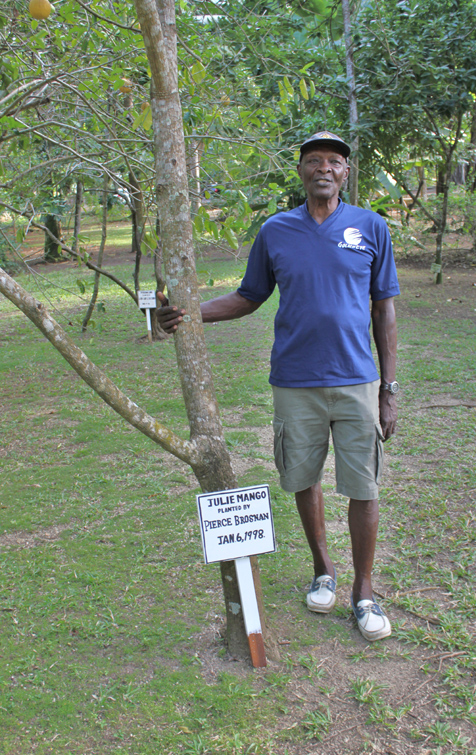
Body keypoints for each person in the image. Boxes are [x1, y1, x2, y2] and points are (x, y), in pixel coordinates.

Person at [157, 131, 399, 642]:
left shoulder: (370, 227)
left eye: (334, 161)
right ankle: (323, 571)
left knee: (364, 487)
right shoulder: (276, 231)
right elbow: (249, 297)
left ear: (345, 173)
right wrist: (191, 315)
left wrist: (389, 388)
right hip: (295, 382)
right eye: (315, 161)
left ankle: (364, 591)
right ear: (302, 172)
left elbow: (385, 308)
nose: (325, 169)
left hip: (357, 379)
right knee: (302, 477)